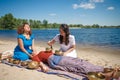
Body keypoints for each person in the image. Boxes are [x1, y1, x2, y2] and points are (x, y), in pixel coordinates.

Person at [32, 50, 120, 80]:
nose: (34, 51)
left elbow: (53, 53)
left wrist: (53, 51)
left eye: (33, 51)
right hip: (57, 60)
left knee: (82, 63)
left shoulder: (42, 52)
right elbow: (37, 61)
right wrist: (42, 65)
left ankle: (106, 70)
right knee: (79, 67)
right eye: (32, 52)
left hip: (60, 58)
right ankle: (106, 74)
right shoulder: (37, 55)